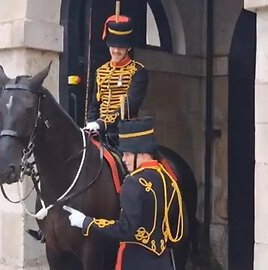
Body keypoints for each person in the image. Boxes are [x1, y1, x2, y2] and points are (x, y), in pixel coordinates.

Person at [64, 117, 184, 270]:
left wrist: (86, 222)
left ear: (140, 153)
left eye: (127, 154)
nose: (124, 159)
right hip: (163, 262)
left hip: (135, 262)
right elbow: (177, 229)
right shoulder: (167, 178)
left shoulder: (133, 183)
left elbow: (125, 229)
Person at [85, 13, 149, 146]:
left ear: (128, 47)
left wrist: (102, 123)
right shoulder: (101, 71)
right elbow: (94, 104)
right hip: (99, 132)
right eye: (113, 46)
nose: (115, 50)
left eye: (120, 47)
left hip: (123, 133)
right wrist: (91, 124)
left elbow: (130, 105)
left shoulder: (138, 71)